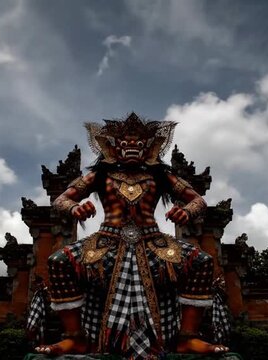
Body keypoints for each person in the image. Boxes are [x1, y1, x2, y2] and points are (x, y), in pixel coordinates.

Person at [34, 113, 229, 359]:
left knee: (201, 261)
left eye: (138, 144)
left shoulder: (160, 175)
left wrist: (187, 212)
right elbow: (62, 199)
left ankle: (187, 337)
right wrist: (74, 208)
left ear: (150, 148)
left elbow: (198, 200)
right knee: (58, 262)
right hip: (107, 241)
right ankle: (75, 338)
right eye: (126, 144)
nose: (132, 148)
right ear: (113, 148)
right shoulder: (99, 175)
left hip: (152, 242)